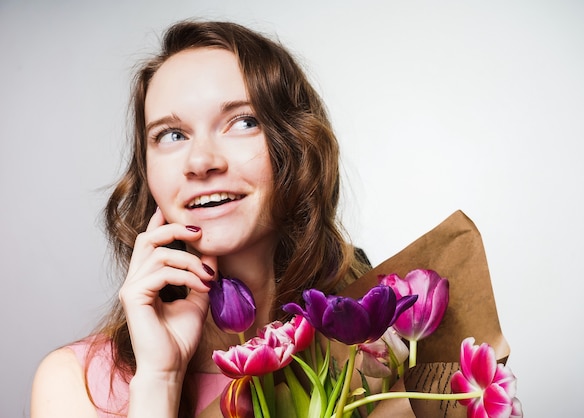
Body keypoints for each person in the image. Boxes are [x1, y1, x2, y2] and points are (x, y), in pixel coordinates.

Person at [30, 20, 370, 418]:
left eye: (243, 122)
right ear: (147, 174)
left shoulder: (371, 355)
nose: (201, 162)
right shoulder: (77, 385)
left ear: (296, 146)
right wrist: (161, 378)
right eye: (172, 135)